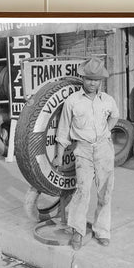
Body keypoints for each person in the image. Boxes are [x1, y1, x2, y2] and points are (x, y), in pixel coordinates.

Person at [53, 57, 119, 250]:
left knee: (105, 192)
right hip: (82, 150)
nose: (93, 83)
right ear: (82, 78)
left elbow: (115, 115)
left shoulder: (108, 100)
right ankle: (77, 231)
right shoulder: (72, 102)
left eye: (96, 79)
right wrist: (58, 154)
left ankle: (102, 231)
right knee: (82, 192)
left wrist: (107, 130)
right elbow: (63, 131)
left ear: (101, 81)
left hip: (104, 149)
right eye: (89, 79)